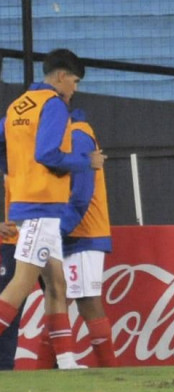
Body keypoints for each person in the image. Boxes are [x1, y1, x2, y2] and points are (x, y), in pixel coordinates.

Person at [0, 48, 105, 370]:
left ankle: (67, 360)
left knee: (57, 284)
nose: (74, 88)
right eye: (74, 81)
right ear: (61, 76)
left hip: (29, 201)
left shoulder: (18, 105)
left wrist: (14, 174)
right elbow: (48, 154)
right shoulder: (54, 104)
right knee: (20, 284)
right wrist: (85, 162)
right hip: (41, 205)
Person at [35, 108, 117, 369]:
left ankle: (111, 370)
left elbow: (82, 194)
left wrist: (57, 232)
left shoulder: (78, 135)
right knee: (57, 299)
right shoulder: (64, 137)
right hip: (69, 230)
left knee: (86, 299)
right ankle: (42, 373)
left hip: (82, 232)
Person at [0, 181, 21, 370]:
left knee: (56, 299)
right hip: (10, 242)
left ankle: (59, 364)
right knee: (10, 306)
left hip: (47, 238)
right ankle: (4, 367)